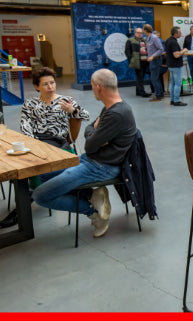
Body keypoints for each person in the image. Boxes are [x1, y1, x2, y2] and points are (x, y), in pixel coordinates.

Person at [32, 69, 137, 238]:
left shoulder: (116, 114)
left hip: (101, 167)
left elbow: (89, 145)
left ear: (98, 87)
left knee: (40, 196)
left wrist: (94, 132)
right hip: (92, 160)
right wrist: (94, 132)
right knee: (43, 175)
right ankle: (93, 195)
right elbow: (90, 130)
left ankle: (92, 211)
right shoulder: (110, 108)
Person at [0, 67, 90, 229]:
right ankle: (25, 202)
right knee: (19, 165)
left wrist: (72, 110)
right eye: (45, 84)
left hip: (59, 144)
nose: (50, 87)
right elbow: (25, 127)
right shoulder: (30, 104)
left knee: (30, 169)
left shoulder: (66, 101)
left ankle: (23, 208)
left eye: (52, 83)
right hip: (37, 143)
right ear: (37, 86)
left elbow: (86, 115)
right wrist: (35, 147)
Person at [165, 26, 188, 106]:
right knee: (178, 83)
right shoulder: (174, 42)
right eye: (179, 33)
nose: (181, 34)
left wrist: (180, 51)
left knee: (173, 83)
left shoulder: (168, 40)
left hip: (170, 65)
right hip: (176, 66)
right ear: (175, 34)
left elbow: (173, 52)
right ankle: (176, 100)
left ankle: (172, 99)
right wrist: (183, 51)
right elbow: (176, 55)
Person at [125, 27, 150, 97]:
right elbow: (127, 52)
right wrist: (131, 60)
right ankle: (142, 92)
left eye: (141, 33)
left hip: (145, 61)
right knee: (140, 77)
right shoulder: (130, 40)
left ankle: (138, 91)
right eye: (138, 33)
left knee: (141, 77)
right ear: (135, 33)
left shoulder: (144, 40)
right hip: (137, 62)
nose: (140, 34)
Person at [144, 24, 165, 102]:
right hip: (153, 61)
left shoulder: (154, 38)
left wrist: (152, 56)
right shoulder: (149, 38)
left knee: (154, 79)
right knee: (156, 78)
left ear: (145, 31)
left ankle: (158, 95)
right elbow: (153, 48)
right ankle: (160, 93)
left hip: (155, 60)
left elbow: (160, 49)